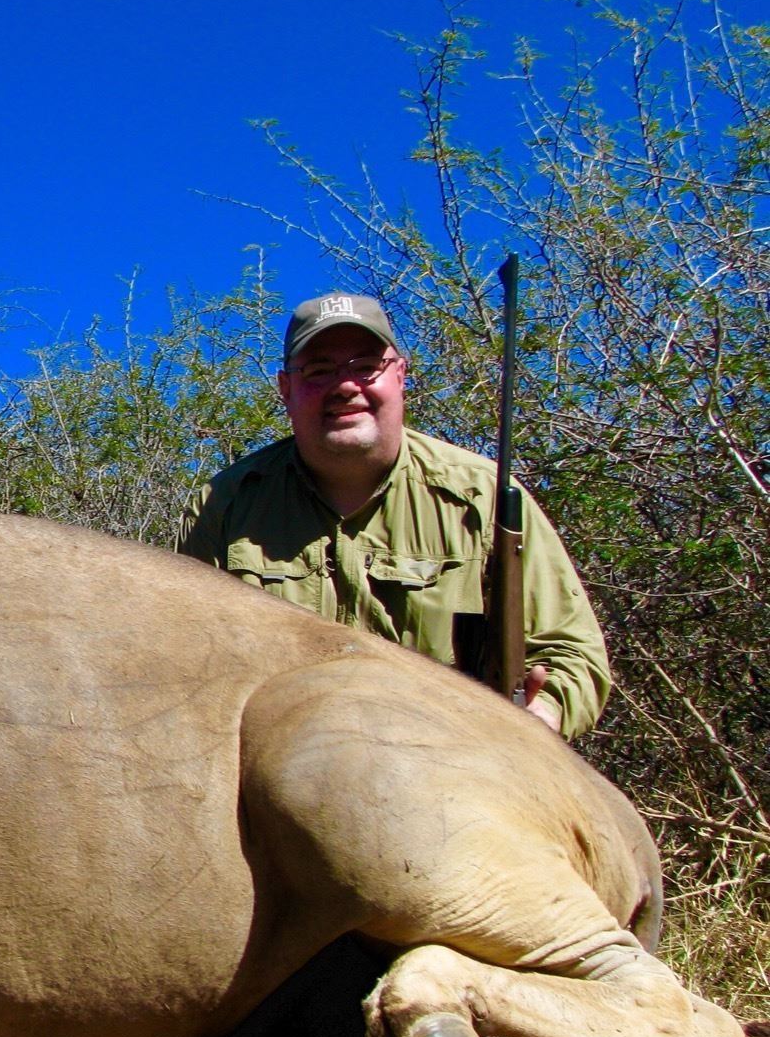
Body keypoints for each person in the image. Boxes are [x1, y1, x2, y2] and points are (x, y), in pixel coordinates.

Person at [176, 292, 610, 738]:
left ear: (400, 375)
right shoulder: (225, 505)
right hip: (276, 756)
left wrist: (543, 714)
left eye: (366, 367)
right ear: (286, 389)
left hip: (449, 755)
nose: (346, 386)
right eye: (319, 370)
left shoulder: (484, 497)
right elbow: (185, 663)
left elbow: (571, 654)